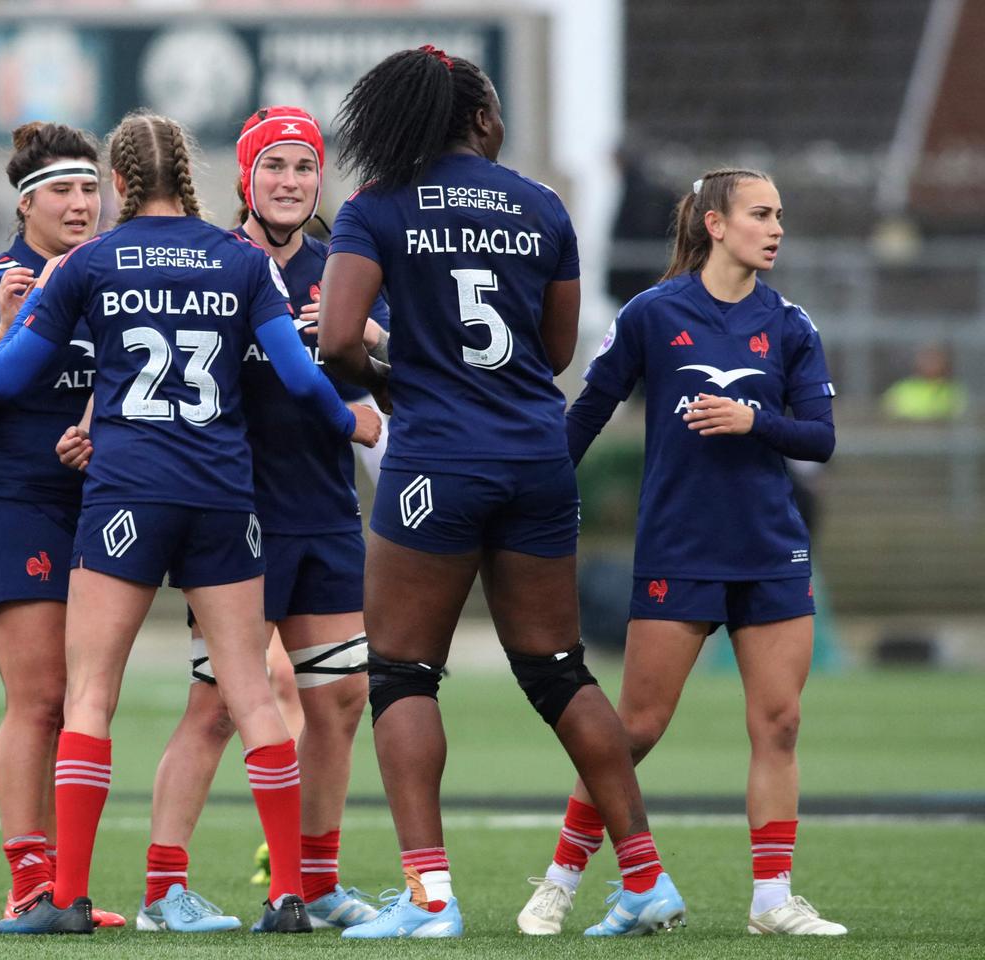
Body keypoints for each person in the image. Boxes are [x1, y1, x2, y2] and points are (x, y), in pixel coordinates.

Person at [318, 45, 686, 939]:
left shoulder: (376, 206)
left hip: (438, 458)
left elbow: (333, 343)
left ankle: (431, 898)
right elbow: (557, 352)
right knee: (559, 671)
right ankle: (644, 880)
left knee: (402, 675)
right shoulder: (542, 205)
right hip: (533, 456)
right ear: (482, 119)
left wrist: (400, 379)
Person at [0, 110, 378, 936]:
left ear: (119, 183)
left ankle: (67, 898)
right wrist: (353, 425)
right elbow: (304, 380)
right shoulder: (240, 261)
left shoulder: (88, 261)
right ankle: (286, 899)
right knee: (254, 695)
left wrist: (24, 315)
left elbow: (15, 378)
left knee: (92, 695)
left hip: (127, 491)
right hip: (222, 499)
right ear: (197, 176)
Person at [515, 168, 845, 937]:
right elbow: (586, 411)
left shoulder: (791, 324)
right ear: (715, 225)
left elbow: (822, 438)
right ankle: (562, 879)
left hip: (769, 550)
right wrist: (529, 494)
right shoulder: (651, 316)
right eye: (761, 213)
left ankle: (772, 900)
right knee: (634, 729)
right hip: (679, 548)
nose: (776, 228)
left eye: (780, 214)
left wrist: (752, 419)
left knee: (780, 723)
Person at [0, 122, 124, 929]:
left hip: (108, 505)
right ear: (25, 204)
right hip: (17, 504)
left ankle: (67, 883)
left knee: (86, 700)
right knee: (39, 696)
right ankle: (28, 878)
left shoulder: (117, 275)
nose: (82, 204)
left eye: (90, 188)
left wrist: (103, 430)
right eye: (64, 191)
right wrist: (8, 329)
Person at [881, 344, 967, 421]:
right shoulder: (901, 389)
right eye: (926, 358)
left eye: (935, 358)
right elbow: (885, 416)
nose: (930, 363)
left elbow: (961, 418)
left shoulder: (954, 391)